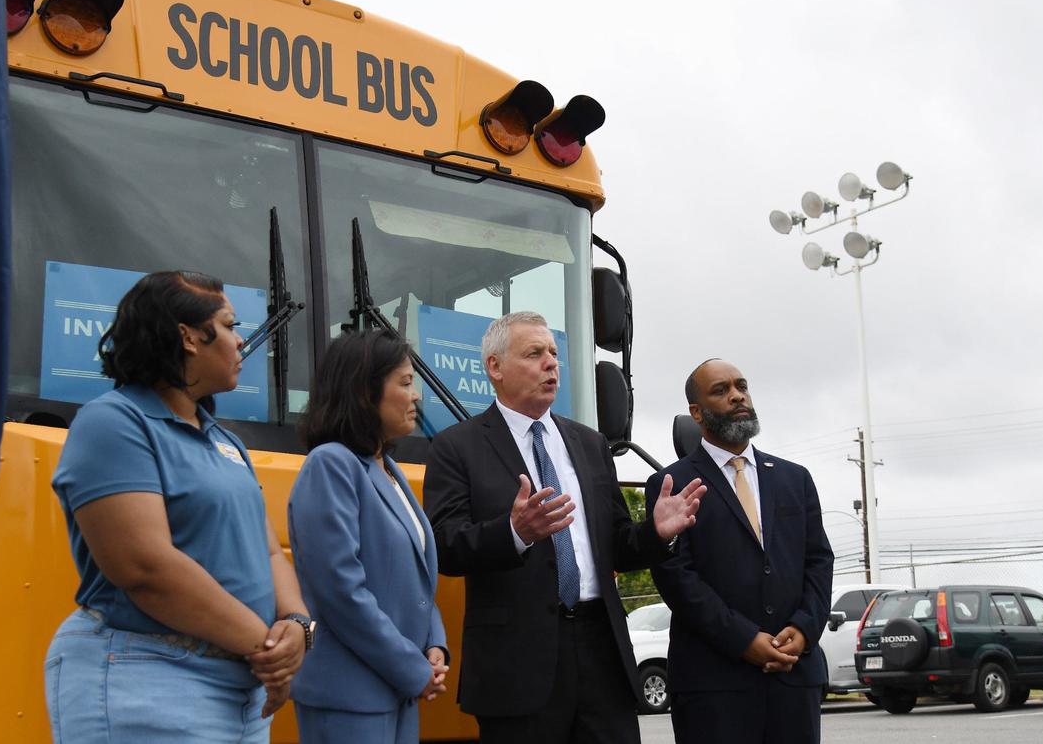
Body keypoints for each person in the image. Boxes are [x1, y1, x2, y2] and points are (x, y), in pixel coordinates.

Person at [45, 271, 311, 743]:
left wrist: (296, 625)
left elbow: (269, 552)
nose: (240, 341)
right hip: (148, 674)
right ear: (188, 336)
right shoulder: (114, 422)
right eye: (229, 325)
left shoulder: (226, 442)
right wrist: (266, 649)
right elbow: (146, 567)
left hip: (239, 690)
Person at [423, 311, 706, 744]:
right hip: (516, 666)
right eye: (534, 354)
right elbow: (444, 547)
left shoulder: (590, 443)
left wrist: (655, 532)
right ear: (494, 367)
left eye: (554, 354)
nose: (551, 364)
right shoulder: (454, 447)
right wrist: (515, 532)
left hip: (601, 652)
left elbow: (616, 544)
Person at [645, 359, 834, 744]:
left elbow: (818, 561)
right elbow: (676, 577)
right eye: (721, 390)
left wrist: (803, 628)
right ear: (696, 412)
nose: (737, 395)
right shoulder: (671, 484)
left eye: (741, 386)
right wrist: (745, 640)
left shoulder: (793, 478)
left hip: (793, 678)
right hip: (714, 687)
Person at [288, 330, 448, 744]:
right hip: (349, 697)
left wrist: (435, 645)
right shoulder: (331, 464)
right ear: (364, 390)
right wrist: (413, 670)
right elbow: (340, 591)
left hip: (394, 691)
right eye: (406, 382)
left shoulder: (388, 469)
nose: (417, 397)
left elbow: (419, 578)